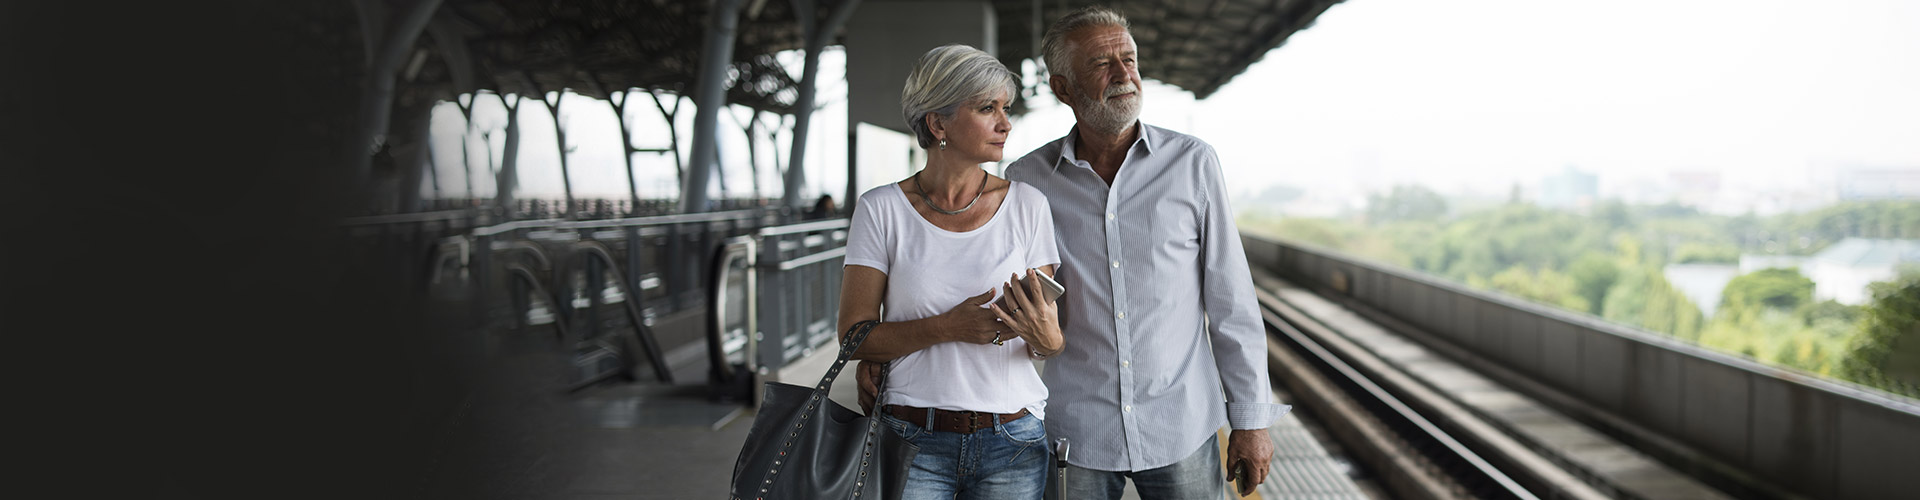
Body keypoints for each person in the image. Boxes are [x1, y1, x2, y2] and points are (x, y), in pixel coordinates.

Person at [864, 7, 1289, 499]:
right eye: (1101, 64)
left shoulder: (1193, 164)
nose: (1124, 75)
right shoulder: (1024, 182)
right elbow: (967, 277)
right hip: (1074, 434)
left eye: (1128, 60)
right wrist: (886, 352)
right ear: (1062, 87)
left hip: (1181, 425)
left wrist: (1252, 420)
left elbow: (1231, 302)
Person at [838, 44, 1066, 500]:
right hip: (911, 438)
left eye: (1006, 108)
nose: (1005, 122)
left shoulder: (1027, 206)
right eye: (986, 109)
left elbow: (1049, 340)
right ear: (937, 123)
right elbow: (854, 338)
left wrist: (1047, 338)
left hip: (1013, 440)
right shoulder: (881, 209)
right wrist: (949, 327)